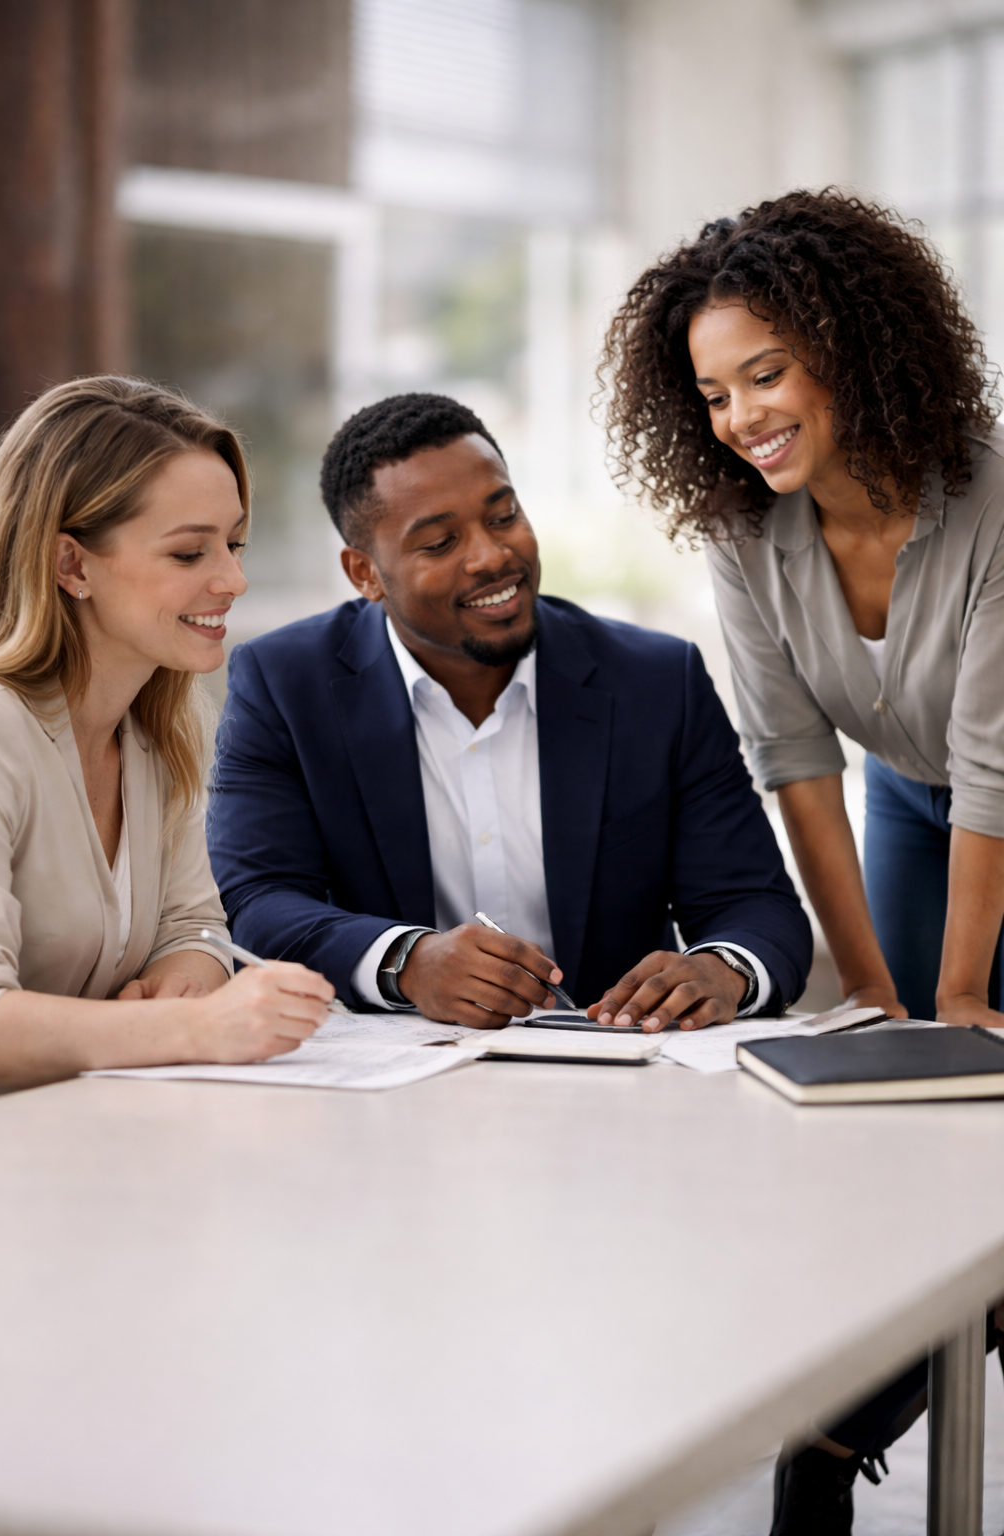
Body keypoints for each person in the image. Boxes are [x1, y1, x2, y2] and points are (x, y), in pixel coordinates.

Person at [599, 188, 1004, 1531]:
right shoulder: (741, 527)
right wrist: (883, 1008)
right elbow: (797, 763)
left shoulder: (993, 496)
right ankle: (836, 1432)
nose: (741, 418)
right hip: (908, 795)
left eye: (765, 375)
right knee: (900, 1108)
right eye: (713, 392)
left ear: (854, 348)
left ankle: (837, 1438)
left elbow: (995, 764)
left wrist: (954, 1011)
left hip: (996, 788)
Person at [208, 391, 811, 1039]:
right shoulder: (284, 683)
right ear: (366, 574)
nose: (492, 556)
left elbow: (755, 905)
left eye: (504, 516)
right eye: (440, 542)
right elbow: (257, 900)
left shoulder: (657, 682)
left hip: (616, 1078)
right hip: (394, 1084)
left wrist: (725, 971)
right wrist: (406, 960)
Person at [0, 376, 333, 1089]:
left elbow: (195, 924)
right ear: (71, 564)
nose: (233, 580)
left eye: (234, 544)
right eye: (189, 553)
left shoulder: (157, 739)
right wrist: (192, 1026)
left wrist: (187, 970)